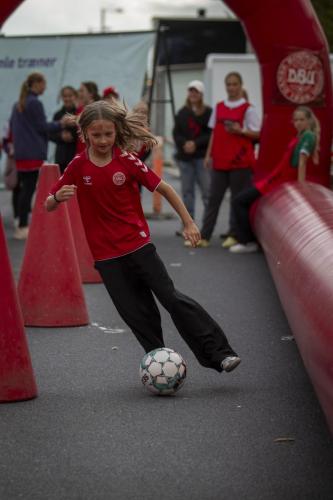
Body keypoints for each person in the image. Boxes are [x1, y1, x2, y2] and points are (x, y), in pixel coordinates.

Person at [45, 100, 241, 374]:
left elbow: (165, 188)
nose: (103, 140)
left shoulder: (127, 160)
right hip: (106, 256)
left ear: (116, 131)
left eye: (108, 134)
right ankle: (160, 365)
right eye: (96, 134)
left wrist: (188, 222)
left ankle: (219, 354)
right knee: (137, 314)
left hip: (138, 245)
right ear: (85, 133)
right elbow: (48, 203)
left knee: (171, 298)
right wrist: (56, 197)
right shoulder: (78, 166)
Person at [230, 105, 320, 254]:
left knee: (239, 201)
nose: (298, 123)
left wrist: (301, 187)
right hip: (274, 179)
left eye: (301, 119)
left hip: (278, 181)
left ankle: (247, 241)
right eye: (295, 120)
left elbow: (302, 162)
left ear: (309, 120)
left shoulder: (308, 136)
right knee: (240, 201)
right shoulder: (301, 135)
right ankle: (248, 239)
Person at [197, 72, 261, 248]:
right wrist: (208, 155)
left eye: (234, 84)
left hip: (240, 162)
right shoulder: (218, 107)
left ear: (240, 86)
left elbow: (258, 134)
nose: (231, 87)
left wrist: (241, 131)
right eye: (229, 84)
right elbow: (213, 133)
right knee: (213, 198)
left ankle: (233, 234)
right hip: (220, 160)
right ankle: (205, 235)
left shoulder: (249, 108)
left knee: (236, 199)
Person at [10, 72, 66, 239]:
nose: (45, 87)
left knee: (23, 189)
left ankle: (20, 221)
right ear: (36, 83)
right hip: (33, 152)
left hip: (22, 153)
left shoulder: (18, 104)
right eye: (44, 83)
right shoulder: (35, 103)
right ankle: (22, 226)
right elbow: (42, 126)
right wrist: (61, 123)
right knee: (28, 189)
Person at [173, 80, 212, 242]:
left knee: (207, 192)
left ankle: (207, 226)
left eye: (196, 91)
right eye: (191, 91)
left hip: (201, 157)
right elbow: (176, 133)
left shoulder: (208, 112)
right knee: (187, 193)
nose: (193, 94)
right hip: (185, 158)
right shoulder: (182, 112)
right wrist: (185, 144)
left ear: (201, 94)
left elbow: (211, 134)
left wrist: (196, 144)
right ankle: (188, 225)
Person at [49, 86, 78, 173]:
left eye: (70, 96)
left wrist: (72, 136)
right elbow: (50, 134)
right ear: (62, 97)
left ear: (75, 97)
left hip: (75, 156)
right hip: (60, 158)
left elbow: (85, 132)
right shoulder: (57, 115)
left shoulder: (79, 113)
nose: (67, 98)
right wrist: (61, 136)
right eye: (65, 96)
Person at [76, 81, 101, 154]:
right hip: (80, 150)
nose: (79, 93)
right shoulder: (79, 109)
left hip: (93, 150)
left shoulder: (98, 109)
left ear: (90, 94)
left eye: (81, 91)